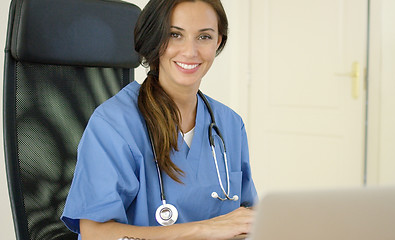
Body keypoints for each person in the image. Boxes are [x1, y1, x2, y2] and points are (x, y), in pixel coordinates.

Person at [61, 0, 257, 239]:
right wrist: (205, 230)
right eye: (175, 35)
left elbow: (247, 215)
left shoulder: (230, 125)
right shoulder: (114, 123)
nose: (190, 51)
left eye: (204, 37)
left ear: (218, 41)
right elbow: (95, 233)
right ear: (155, 40)